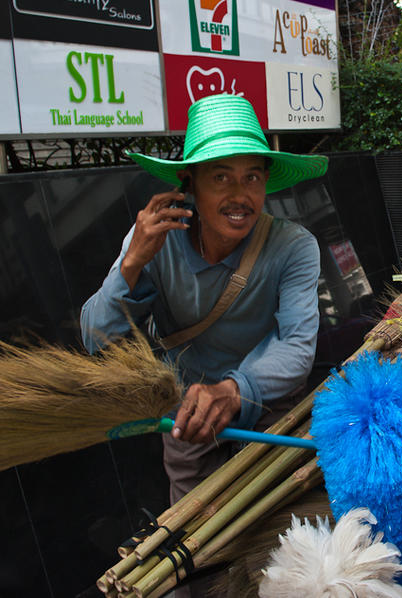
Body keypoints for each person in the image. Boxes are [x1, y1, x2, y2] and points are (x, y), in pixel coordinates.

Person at [81, 93, 326, 509]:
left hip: (269, 409)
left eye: (252, 177)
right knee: (194, 536)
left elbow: (297, 346)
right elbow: (95, 340)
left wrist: (233, 390)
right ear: (189, 183)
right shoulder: (155, 241)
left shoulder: (293, 246)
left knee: (284, 527)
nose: (240, 195)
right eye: (220, 177)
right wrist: (133, 263)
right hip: (188, 418)